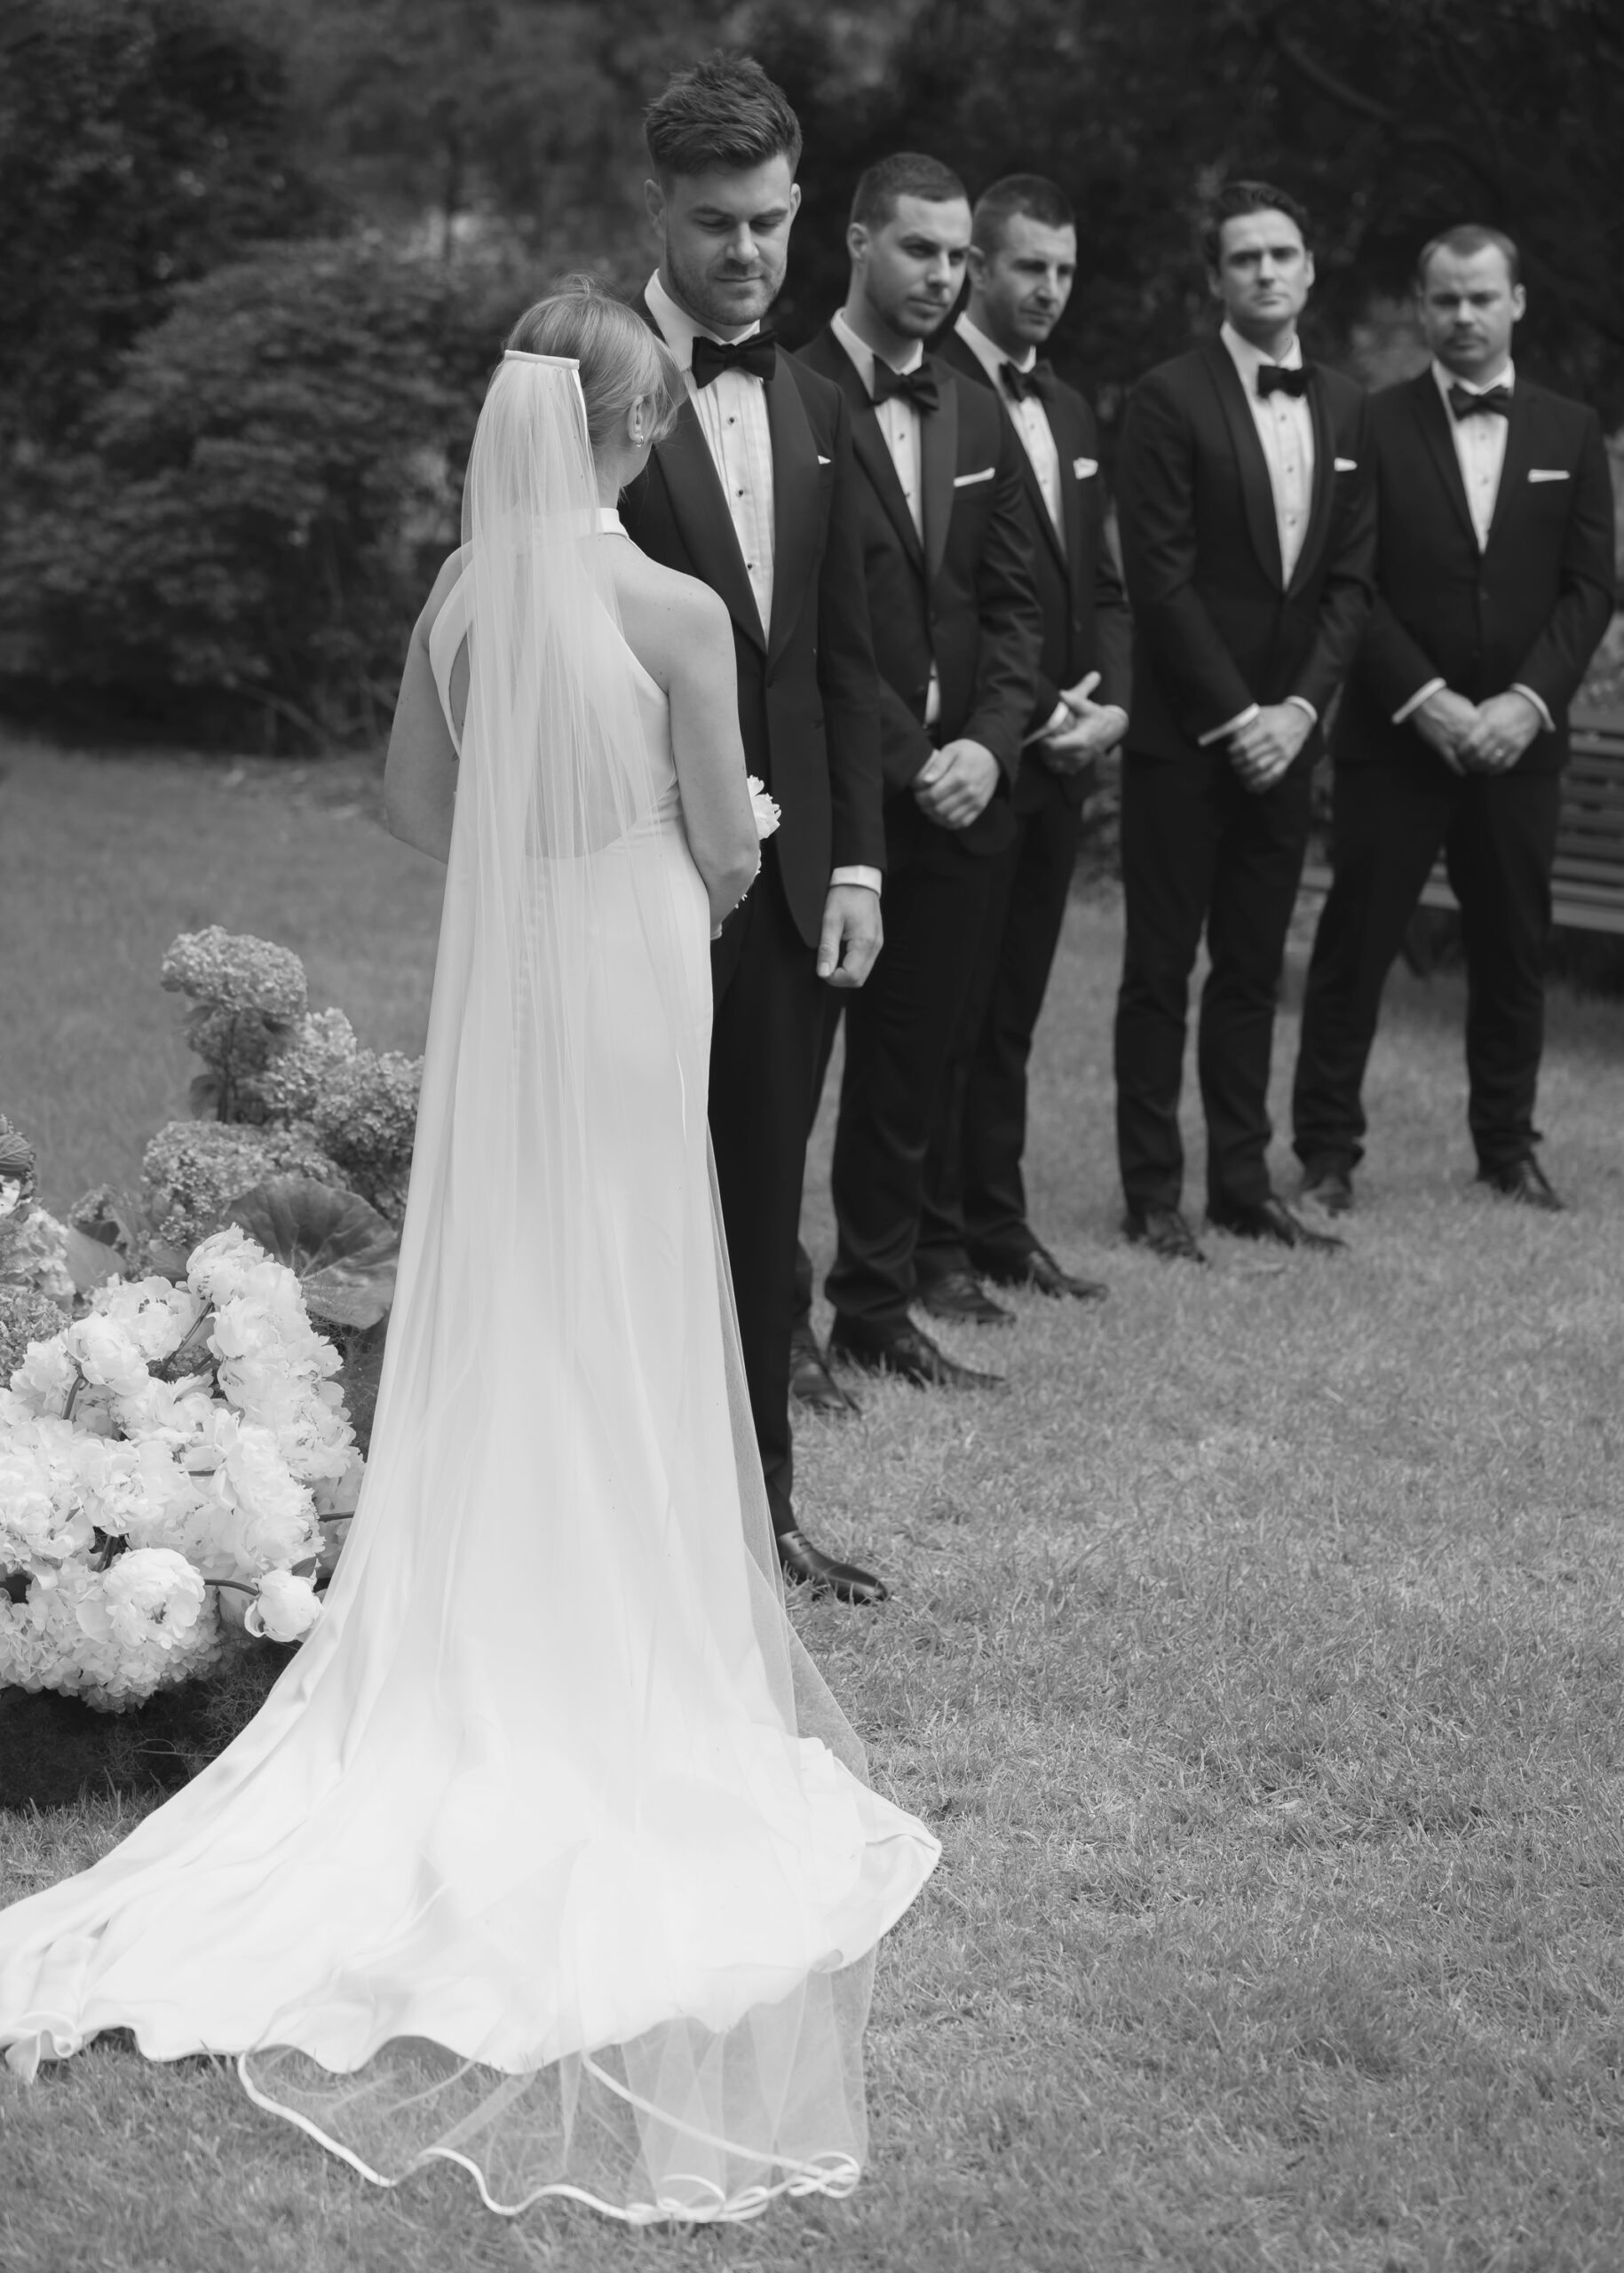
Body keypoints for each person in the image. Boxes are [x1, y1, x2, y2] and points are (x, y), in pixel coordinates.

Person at [0, 288, 939, 2225]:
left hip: (512, 975)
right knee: (632, 1282)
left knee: (511, 1287)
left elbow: (417, 812)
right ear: (633, 415)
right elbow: (728, 847)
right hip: (626, 983)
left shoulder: (457, 599)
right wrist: (742, 822)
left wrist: (544, 831)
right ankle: (618, 1634)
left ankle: (478, 1616)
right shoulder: (674, 607)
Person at [620, 52, 890, 1601]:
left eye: (772, 220)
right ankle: (621, 1509)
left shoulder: (809, 396)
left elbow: (839, 654)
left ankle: (756, 1515)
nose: (745, 252)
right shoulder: (578, 387)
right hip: (628, 877)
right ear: (656, 206)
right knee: (621, 1195)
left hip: (790, 890)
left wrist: (852, 857)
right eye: (716, 222)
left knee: (755, 1197)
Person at [1291, 224, 1616, 1214]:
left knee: (1513, 947)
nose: (1462, 316)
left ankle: (1507, 1148)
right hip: (1396, 738)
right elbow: (1347, 579)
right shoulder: (1368, 423)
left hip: (1521, 744)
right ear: (1419, 307)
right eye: (1444, 299)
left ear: (1517, 301)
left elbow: (1588, 587)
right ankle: (1325, 1153)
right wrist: (1424, 699)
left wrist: (1524, 704)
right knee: (1356, 942)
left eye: (1481, 297)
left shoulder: (1569, 429)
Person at [796, 153, 1043, 1390]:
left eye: (956, 256)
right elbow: (795, 628)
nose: (943, 277)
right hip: (832, 801)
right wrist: (911, 753)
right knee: (785, 1085)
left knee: (911, 1072)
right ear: (855, 242)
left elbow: (1017, 606)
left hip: (962, 805)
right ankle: (774, 1329)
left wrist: (989, 749)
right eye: (919, 250)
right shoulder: (786, 396)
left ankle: (877, 1310)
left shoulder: (977, 408)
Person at [1112, 178, 1376, 1262]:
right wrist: (1240, 717)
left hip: (1290, 738)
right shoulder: (1164, 399)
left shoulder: (1350, 405)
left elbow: (1350, 583)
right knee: (1159, 967)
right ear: (1214, 280)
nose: (1265, 272)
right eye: (1242, 259)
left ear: (1309, 268)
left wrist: (1301, 711)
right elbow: (1161, 582)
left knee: (1254, 971)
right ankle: (1150, 1195)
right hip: (1187, 740)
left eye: (1282, 253)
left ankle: (1238, 1181)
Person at [915, 173, 1131, 1319]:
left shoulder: (1079, 410)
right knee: (946, 1018)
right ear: (976, 271)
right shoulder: (929, 393)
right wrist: (1017, 713)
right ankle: (930, 1247)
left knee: (1012, 1017)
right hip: (977, 752)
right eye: (1025, 269)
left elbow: (1102, 585)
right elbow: (946, 592)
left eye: (1063, 271)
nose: (1046, 290)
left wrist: (1115, 708)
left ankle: (998, 1226)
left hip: (1067, 759)